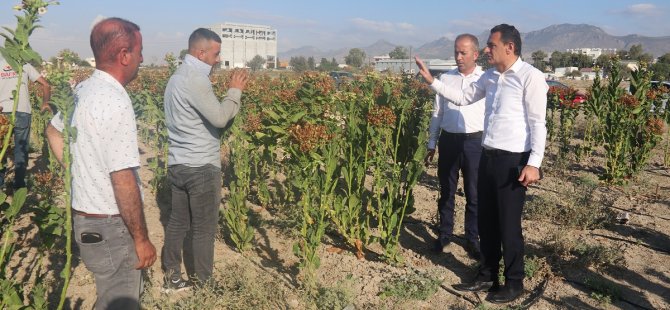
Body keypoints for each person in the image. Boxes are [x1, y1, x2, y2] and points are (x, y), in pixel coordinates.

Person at [416, 24, 547, 303]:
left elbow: (538, 123)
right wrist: (433, 82)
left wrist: (533, 163)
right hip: (487, 156)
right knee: (487, 222)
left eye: (491, 45)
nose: (487, 50)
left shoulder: (530, 77)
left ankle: (514, 282)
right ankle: (487, 274)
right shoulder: (490, 77)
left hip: (513, 161)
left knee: (508, 225)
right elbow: (463, 97)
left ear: (509, 47)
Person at [46, 17, 156, 309]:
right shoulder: (115, 101)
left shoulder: (82, 91)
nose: (142, 58)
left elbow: (52, 130)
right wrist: (141, 238)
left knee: (108, 297)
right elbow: (123, 179)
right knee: (119, 301)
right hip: (111, 227)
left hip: (84, 220)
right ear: (123, 55)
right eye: (139, 50)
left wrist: (77, 171)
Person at [162, 28, 248, 290]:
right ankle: (205, 287)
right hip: (200, 167)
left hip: (178, 164)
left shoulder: (176, 78)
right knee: (203, 230)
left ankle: (172, 276)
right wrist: (234, 91)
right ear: (200, 52)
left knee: (177, 222)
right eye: (216, 52)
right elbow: (221, 118)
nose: (218, 58)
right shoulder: (195, 80)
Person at [424, 34, 485, 259]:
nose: (458, 57)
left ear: (475, 54)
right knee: (447, 190)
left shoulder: (485, 80)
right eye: (456, 52)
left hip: (475, 143)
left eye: (463, 53)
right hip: (449, 141)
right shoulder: (445, 79)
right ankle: (445, 234)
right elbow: (437, 113)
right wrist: (432, 143)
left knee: (474, 193)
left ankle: (472, 238)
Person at [0, 56, 51, 190]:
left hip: (2, 113)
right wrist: (45, 102)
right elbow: (46, 84)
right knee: (21, 150)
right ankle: (19, 188)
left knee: (1, 149)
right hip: (22, 111)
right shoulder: (24, 64)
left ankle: (0, 186)